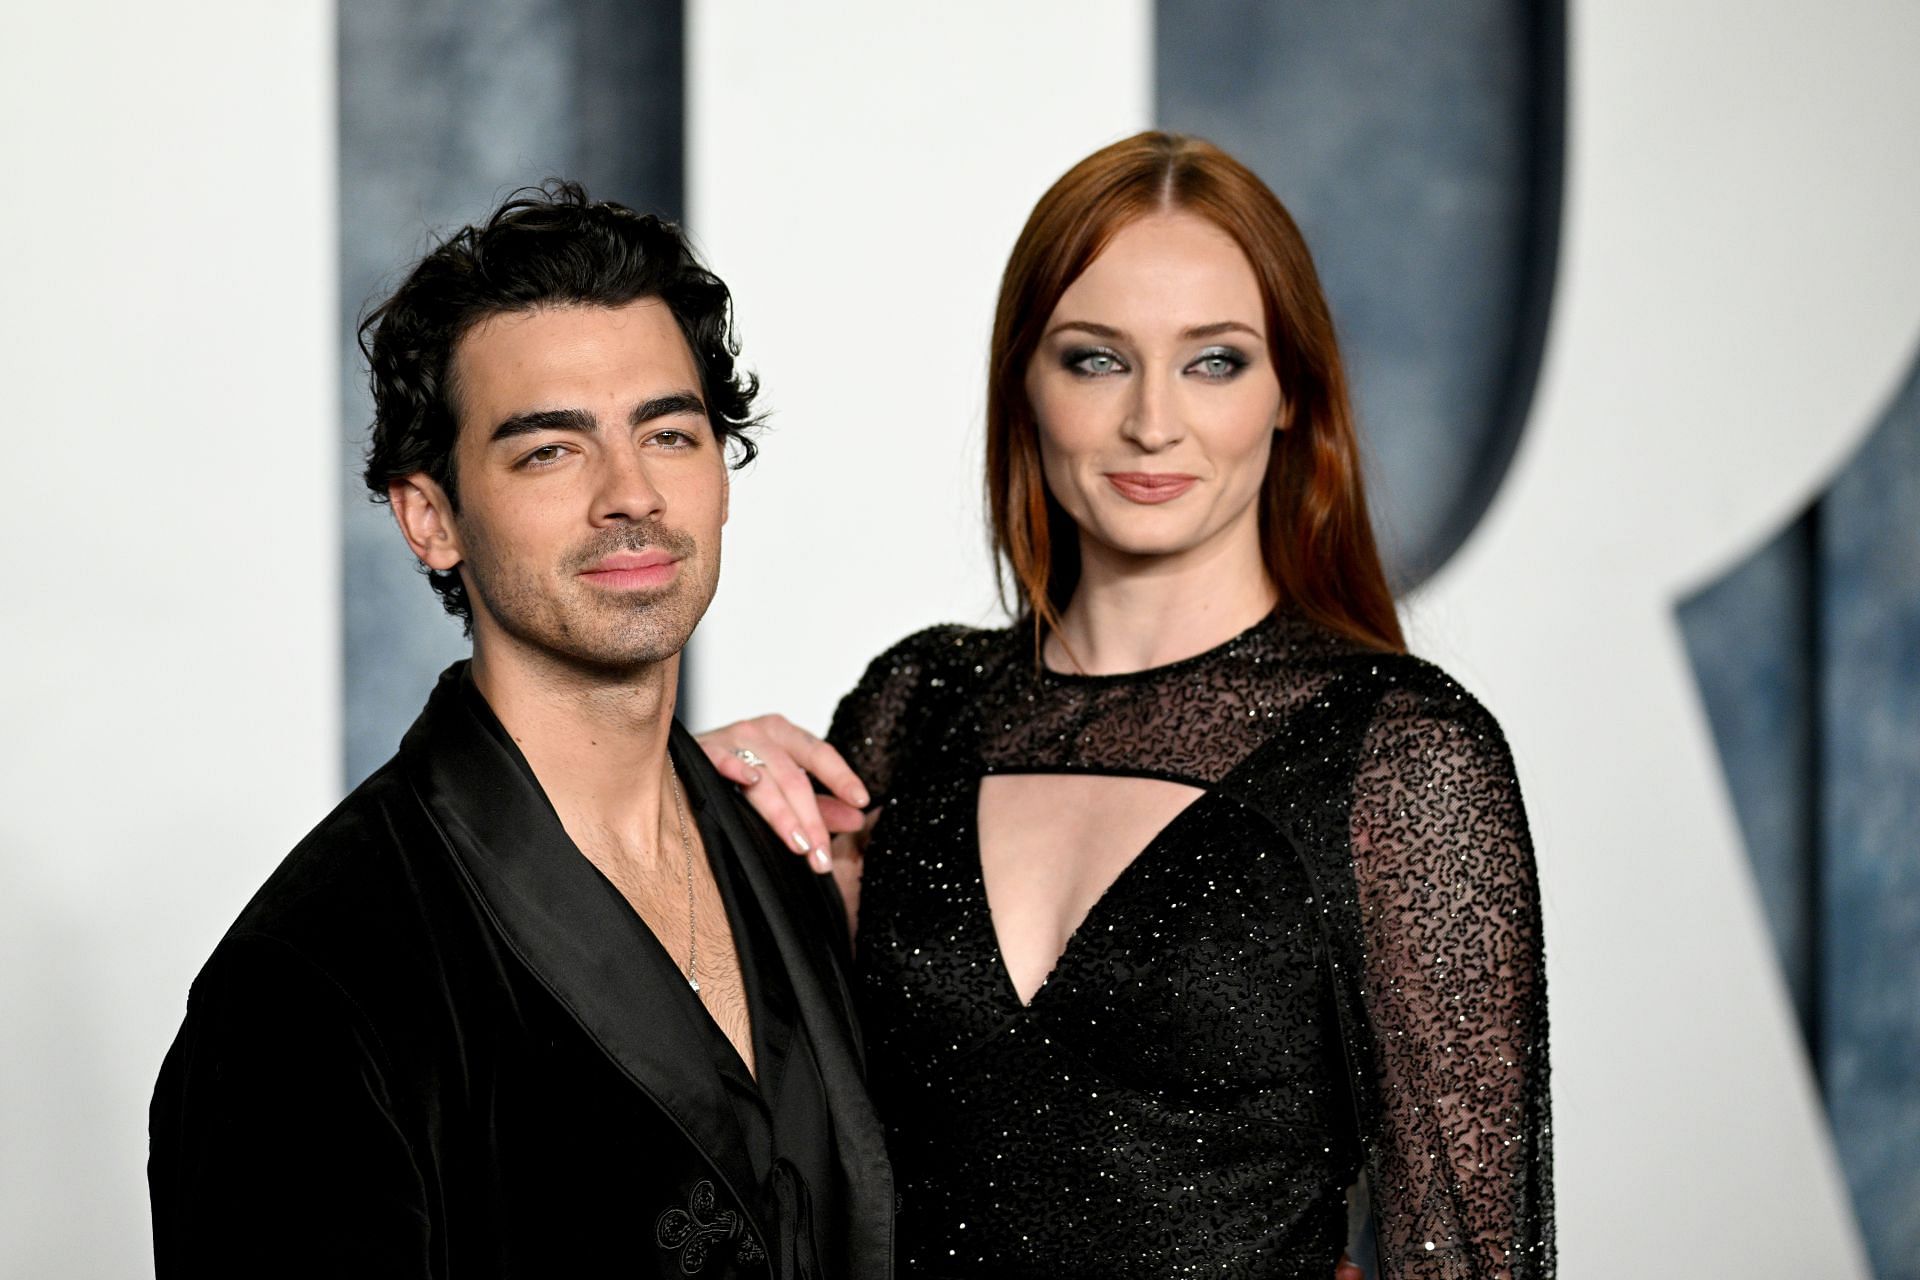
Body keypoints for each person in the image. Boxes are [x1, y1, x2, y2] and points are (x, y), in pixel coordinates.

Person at [701, 132, 1554, 1279]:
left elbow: (1476, 1253)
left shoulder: (1397, 751)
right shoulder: (918, 704)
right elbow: (768, 1151)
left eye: (1215, 362)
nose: (1154, 421)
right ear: (1026, 384)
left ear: (1291, 393)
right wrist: (671, 817)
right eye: (1097, 359)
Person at [148, 183, 892, 1279]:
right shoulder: (310, 983)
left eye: (670, 433)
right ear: (431, 517)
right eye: (551, 450)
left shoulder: (787, 865)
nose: (630, 493)